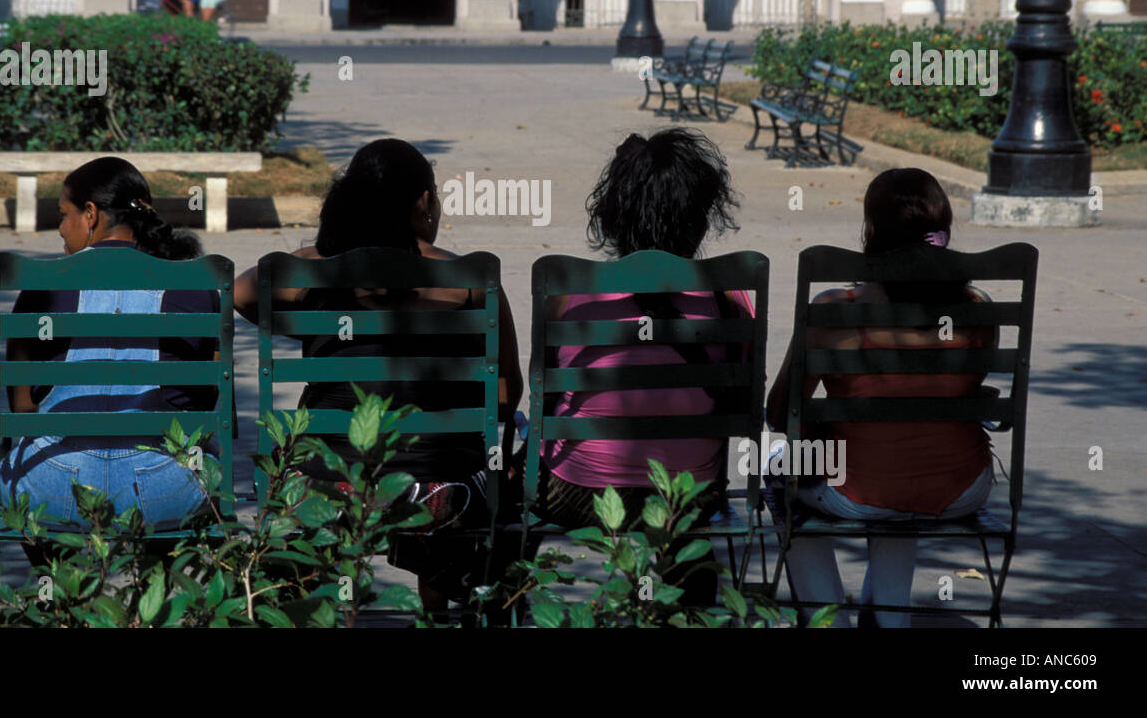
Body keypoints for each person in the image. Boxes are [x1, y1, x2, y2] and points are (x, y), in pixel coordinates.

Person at [233, 139, 524, 612]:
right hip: (438, 493)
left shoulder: (313, 273)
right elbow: (507, 397)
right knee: (472, 465)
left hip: (322, 490)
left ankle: (318, 603)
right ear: (423, 202)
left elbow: (241, 292)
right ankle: (437, 601)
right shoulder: (470, 278)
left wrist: (306, 311)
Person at [766, 167, 997, 628]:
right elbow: (968, 388)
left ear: (872, 232)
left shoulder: (838, 309)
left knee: (776, 467)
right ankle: (887, 616)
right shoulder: (977, 309)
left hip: (862, 490)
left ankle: (827, 619)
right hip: (964, 487)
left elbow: (779, 411)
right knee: (903, 460)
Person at [535, 129, 751, 532]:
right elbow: (742, 404)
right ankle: (674, 578)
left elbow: (543, 393)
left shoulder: (568, 294)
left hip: (581, 493)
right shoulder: (731, 300)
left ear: (613, 214)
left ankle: (504, 591)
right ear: (700, 218)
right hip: (687, 496)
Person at [0, 157, 219, 530]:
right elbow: (208, 405)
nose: (61, 229)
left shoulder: (43, 285)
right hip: (163, 488)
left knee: (21, 466)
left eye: (63, 214)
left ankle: (59, 582)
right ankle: (157, 584)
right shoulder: (194, 284)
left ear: (91, 214)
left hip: (54, 487)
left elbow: (22, 409)